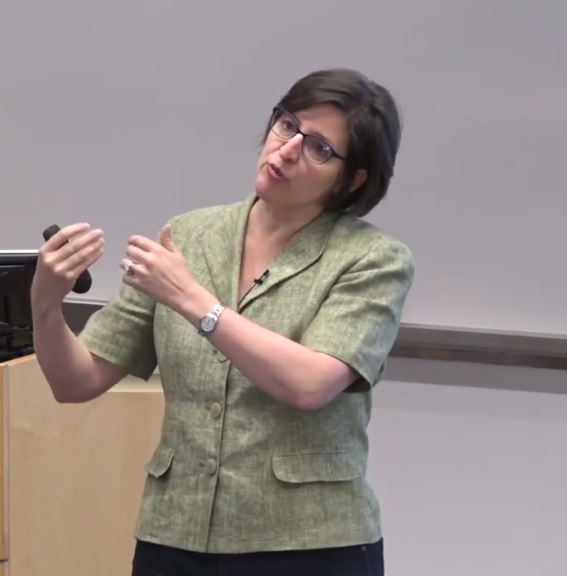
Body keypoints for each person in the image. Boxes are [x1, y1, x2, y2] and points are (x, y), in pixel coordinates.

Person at [29, 68, 414, 576]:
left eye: (320, 148)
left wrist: (195, 302)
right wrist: (45, 305)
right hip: (175, 535)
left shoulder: (373, 260)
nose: (288, 149)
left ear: (353, 179)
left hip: (308, 546)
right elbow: (75, 381)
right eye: (287, 125)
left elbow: (310, 384)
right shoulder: (190, 235)